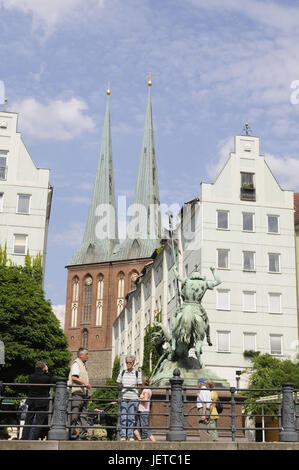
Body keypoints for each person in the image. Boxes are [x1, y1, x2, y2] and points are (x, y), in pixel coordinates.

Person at [21, 362, 57, 440]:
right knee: (39, 422)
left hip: (32, 401)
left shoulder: (31, 377)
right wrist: (47, 372)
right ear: (44, 368)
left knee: (28, 421)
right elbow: (53, 379)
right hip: (42, 402)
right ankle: (34, 439)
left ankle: (24, 438)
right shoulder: (47, 378)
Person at [116, 355, 142, 441]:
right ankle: (123, 435)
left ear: (133, 363)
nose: (128, 364)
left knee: (131, 417)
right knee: (123, 417)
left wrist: (134, 391)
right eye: (127, 362)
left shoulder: (137, 373)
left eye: (130, 362)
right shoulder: (122, 372)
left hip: (133, 398)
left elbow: (139, 386)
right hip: (124, 397)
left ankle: (130, 435)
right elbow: (118, 383)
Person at [68, 347, 91, 439]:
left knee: (83, 415)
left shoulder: (82, 364)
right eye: (87, 354)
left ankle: (83, 434)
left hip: (82, 394)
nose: (88, 356)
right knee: (75, 414)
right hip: (77, 394)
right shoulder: (76, 364)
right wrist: (85, 383)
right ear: (81, 355)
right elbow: (74, 377)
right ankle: (71, 434)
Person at [133, 376, 156, 442]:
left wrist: (138, 398)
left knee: (144, 428)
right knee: (138, 427)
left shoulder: (146, 390)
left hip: (143, 411)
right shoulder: (148, 389)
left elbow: (145, 399)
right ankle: (139, 441)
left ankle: (154, 441)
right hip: (142, 410)